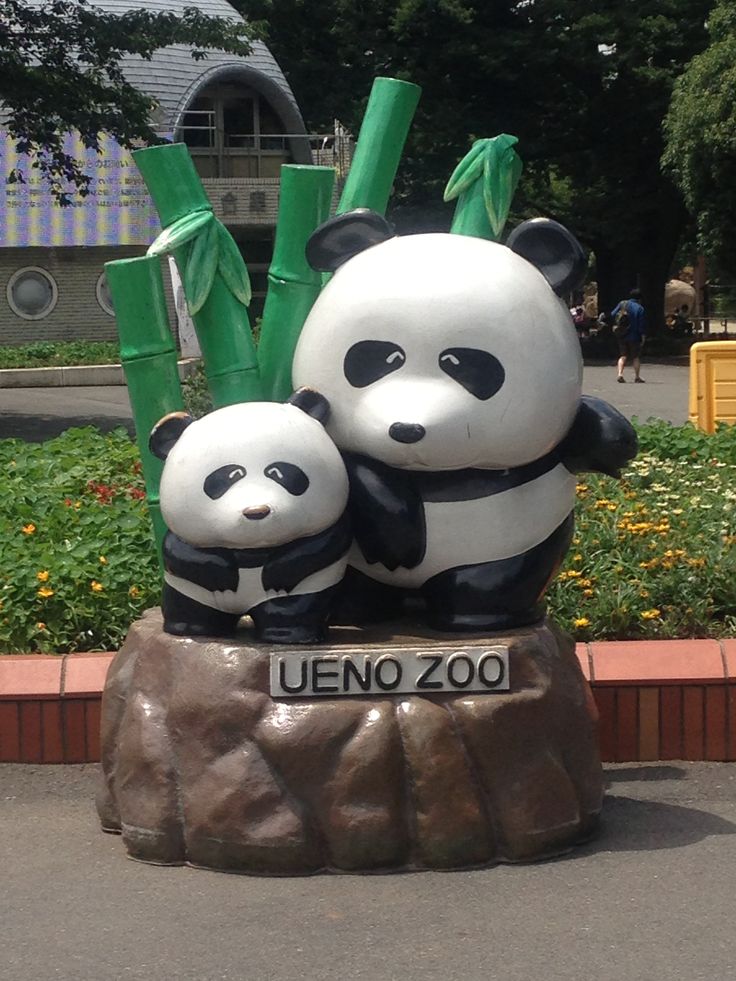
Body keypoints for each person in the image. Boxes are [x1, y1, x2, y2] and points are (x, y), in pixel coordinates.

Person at [612, 288, 646, 383]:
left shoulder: (622, 304)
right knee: (635, 357)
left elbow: (613, 314)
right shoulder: (640, 308)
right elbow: (641, 325)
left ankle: (620, 374)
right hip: (634, 336)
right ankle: (637, 377)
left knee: (623, 355)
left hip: (622, 334)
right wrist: (643, 336)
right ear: (639, 299)